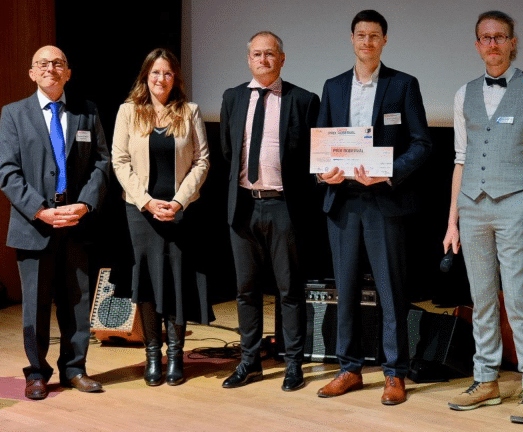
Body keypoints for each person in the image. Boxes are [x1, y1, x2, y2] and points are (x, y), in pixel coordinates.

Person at [316, 10, 432, 405]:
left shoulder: (403, 84)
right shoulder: (333, 87)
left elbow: (422, 144)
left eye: (374, 36)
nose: (367, 42)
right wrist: (323, 173)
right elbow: (322, 144)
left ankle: (395, 373)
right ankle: (348, 369)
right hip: (343, 202)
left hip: (385, 202)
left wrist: (387, 172)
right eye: (361, 35)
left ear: (384, 40)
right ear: (351, 39)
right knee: (346, 290)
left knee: (391, 291)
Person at [442, 11, 523, 423]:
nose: (492, 44)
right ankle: (486, 380)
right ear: (477, 45)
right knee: (482, 298)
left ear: (512, 42)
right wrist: (452, 221)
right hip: (471, 206)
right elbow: (460, 159)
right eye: (485, 38)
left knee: (518, 300)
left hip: (515, 203)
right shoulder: (463, 93)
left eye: (500, 37)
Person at [0, 45, 110, 400]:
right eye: (43, 64)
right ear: (32, 73)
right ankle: (36, 373)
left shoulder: (87, 112)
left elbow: (102, 164)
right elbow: (8, 172)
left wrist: (85, 205)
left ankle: (75, 369)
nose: (51, 68)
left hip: (76, 221)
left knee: (77, 301)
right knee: (35, 304)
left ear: (68, 73)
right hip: (34, 224)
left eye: (58, 63)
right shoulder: (14, 114)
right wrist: (40, 210)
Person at [220, 31, 319, 392]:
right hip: (244, 205)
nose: (263, 60)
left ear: (282, 58)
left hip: (283, 207)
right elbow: (228, 151)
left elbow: (312, 156)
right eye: (257, 54)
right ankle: (249, 362)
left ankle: (293, 364)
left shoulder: (304, 100)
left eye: (270, 54)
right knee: (245, 290)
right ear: (249, 59)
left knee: (289, 290)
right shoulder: (232, 98)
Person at [112, 48, 211, 387]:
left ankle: (176, 356)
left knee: (177, 282)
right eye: (155, 72)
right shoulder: (128, 111)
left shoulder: (190, 111)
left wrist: (179, 202)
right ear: (146, 76)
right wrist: (147, 202)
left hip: (181, 212)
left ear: (175, 78)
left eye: (167, 73)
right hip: (141, 213)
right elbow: (119, 161)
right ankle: (153, 355)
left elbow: (202, 161)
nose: (161, 79)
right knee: (148, 283)